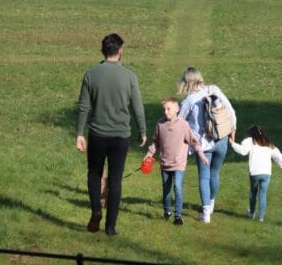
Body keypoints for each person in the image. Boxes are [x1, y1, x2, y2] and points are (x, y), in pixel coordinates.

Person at [76, 33, 146, 236]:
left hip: (97, 134)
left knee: (94, 173)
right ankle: (111, 226)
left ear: (103, 51)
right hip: (120, 136)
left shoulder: (91, 74)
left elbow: (83, 107)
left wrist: (80, 133)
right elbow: (138, 107)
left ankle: (96, 210)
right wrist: (142, 130)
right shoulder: (130, 76)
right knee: (115, 180)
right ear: (120, 51)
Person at [177, 67, 237, 223]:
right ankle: (211, 204)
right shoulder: (213, 90)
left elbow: (179, 122)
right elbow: (230, 110)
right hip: (221, 139)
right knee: (215, 173)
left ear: (186, 82)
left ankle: (205, 214)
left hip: (203, 144)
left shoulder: (188, 101)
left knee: (204, 177)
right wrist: (233, 130)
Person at [145, 97, 209, 225]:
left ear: (177, 109)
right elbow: (155, 143)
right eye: (164, 109)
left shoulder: (183, 125)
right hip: (165, 163)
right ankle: (167, 211)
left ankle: (178, 216)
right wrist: (149, 155)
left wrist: (201, 155)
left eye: (168, 109)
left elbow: (194, 141)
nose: (166, 112)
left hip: (179, 163)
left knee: (177, 187)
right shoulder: (160, 124)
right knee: (166, 189)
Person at [230, 125, 282, 223]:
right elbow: (279, 157)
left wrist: (233, 144)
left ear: (251, 134)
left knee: (253, 192)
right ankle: (261, 218)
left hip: (254, 172)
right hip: (266, 173)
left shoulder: (249, 141)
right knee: (263, 194)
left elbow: (243, 151)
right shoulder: (268, 143)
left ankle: (251, 213)